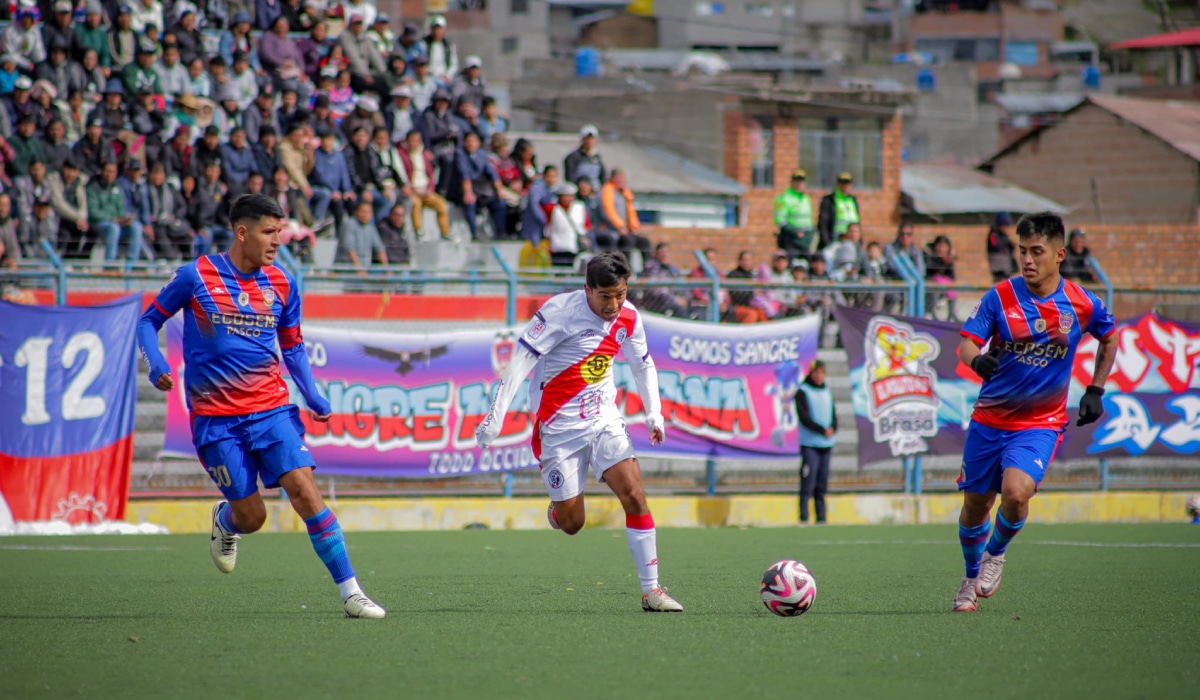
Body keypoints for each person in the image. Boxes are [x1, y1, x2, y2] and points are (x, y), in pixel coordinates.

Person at [135, 194, 386, 619]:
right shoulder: (196, 275)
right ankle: (227, 520)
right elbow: (147, 321)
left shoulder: (283, 283)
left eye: (280, 232)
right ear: (242, 232)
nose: (277, 242)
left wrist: (310, 392)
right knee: (252, 517)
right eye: (269, 232)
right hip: (216, 419)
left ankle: (352, 593)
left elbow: (293, 346)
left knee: (306, 492)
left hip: (270, 409)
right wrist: (156, 363)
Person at [476, 252, 682, 613]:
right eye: (605, 296)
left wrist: (655, 414)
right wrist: (496, 415)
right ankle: (558, 511)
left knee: (634, 494)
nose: (614, 304)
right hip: (558, 427)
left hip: (604, 419)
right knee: (573, 523)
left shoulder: (629, 316)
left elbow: (642, 363)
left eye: (620, 294)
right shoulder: (558, 313)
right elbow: (519, 363)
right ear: (587, 290)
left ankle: (652, 591)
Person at [953, 212, 1117, 613]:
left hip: (1038, 424)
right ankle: (970, 576)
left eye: (1036, 251)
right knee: (976, 505)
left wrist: (1096, 388)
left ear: (1059, 254)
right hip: (989, 421)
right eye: (1021, 251)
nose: (1027, 260)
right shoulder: (1000, 296)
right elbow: (967, 344)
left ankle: (995, 554)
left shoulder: (1081, 303)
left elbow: (1109, 337)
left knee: (1016, 492)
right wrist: (978, 363)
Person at [795, 359, 835, 524]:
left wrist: (833, 427)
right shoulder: (803, 391)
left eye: (821, 373)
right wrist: (821, 430)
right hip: (810, 443)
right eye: (816, 373)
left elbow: (833, 415)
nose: (819, 376)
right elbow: (804, 418)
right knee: (808, 481)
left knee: (822, 481)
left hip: (826, 444)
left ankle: (821, 518)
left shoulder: (827, 391)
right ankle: (804, 517)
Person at [774, 169, 815, 257]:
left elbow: (809, 220)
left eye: (802, 181)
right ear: (792, 182)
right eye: (797, 181)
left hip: (805, 239)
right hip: (791, 238)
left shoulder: (806, 198)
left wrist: (810, 233)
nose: (799, 184)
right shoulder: (784, 198)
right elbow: (780, 220)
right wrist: (795, 231)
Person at [817, 171, 860, 251]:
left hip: (851, 238)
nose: (846, 186)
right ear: (838, 184)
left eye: (848, 183)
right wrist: (827, 242)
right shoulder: (830, 200)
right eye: (843, 183)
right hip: (836, 239)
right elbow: (823, 223)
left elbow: (857, 221)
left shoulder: (852, 200)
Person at [987, 211, 1018, 283]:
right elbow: (995, 245)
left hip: (1006, 266)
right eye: (1004, 225)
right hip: (998, 267)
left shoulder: (1005, 235)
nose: (1005, 228)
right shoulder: (993, 235)